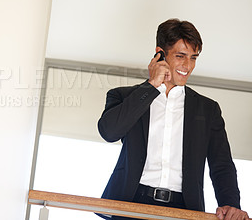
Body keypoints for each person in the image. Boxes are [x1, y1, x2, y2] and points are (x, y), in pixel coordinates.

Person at [97, 19, 249, 220]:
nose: (188, 65)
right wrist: (151, 86)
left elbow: (221, 164)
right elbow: (109, 132)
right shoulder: (124, 97)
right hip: (131, 205)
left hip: (184, 210)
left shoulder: (208, 109)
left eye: (193, 58)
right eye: (180, 56)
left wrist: (230, 204)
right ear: (160, 53)